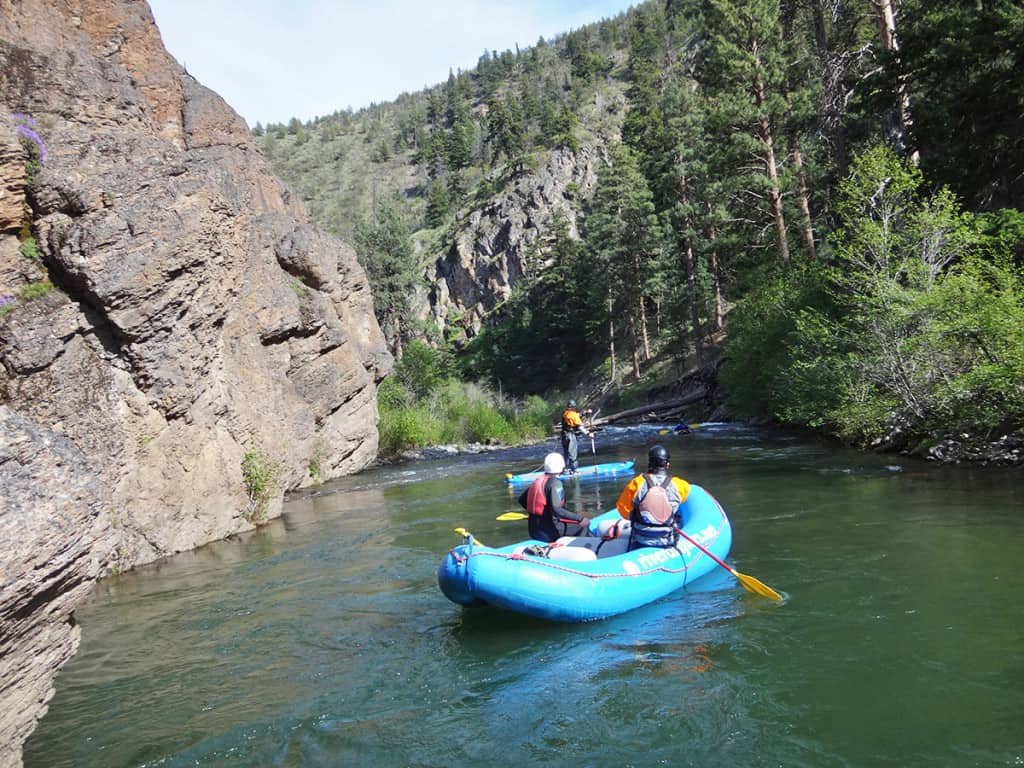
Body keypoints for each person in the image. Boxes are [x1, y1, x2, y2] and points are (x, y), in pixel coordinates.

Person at [613, 444, 691, 551]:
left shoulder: (636, 483)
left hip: (641, 539)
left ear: (649, 463)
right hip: (667, 539)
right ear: (667, 465)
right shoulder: (681, 485)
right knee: (678, 512)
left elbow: (623, 511)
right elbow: (684, 499)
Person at [518, 452, 591, 542]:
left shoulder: (538, 481)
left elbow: (521, 500)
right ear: (561, 466)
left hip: (534, 530)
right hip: (550, 530)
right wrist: (581, 519)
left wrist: (536, 514)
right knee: (584, 526)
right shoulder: (556, 483)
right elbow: (557, 509)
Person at [560, 399, 590, 474]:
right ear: (574, 407)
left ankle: (564, 469)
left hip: (563, 436)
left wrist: (585, 413)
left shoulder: (565, 413)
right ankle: (574, 470)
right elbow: (580, 427)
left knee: (566, 453)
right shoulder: (573, 415)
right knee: (572, 453)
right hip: (570, 435)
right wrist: (588, 433)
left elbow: (576, 415)